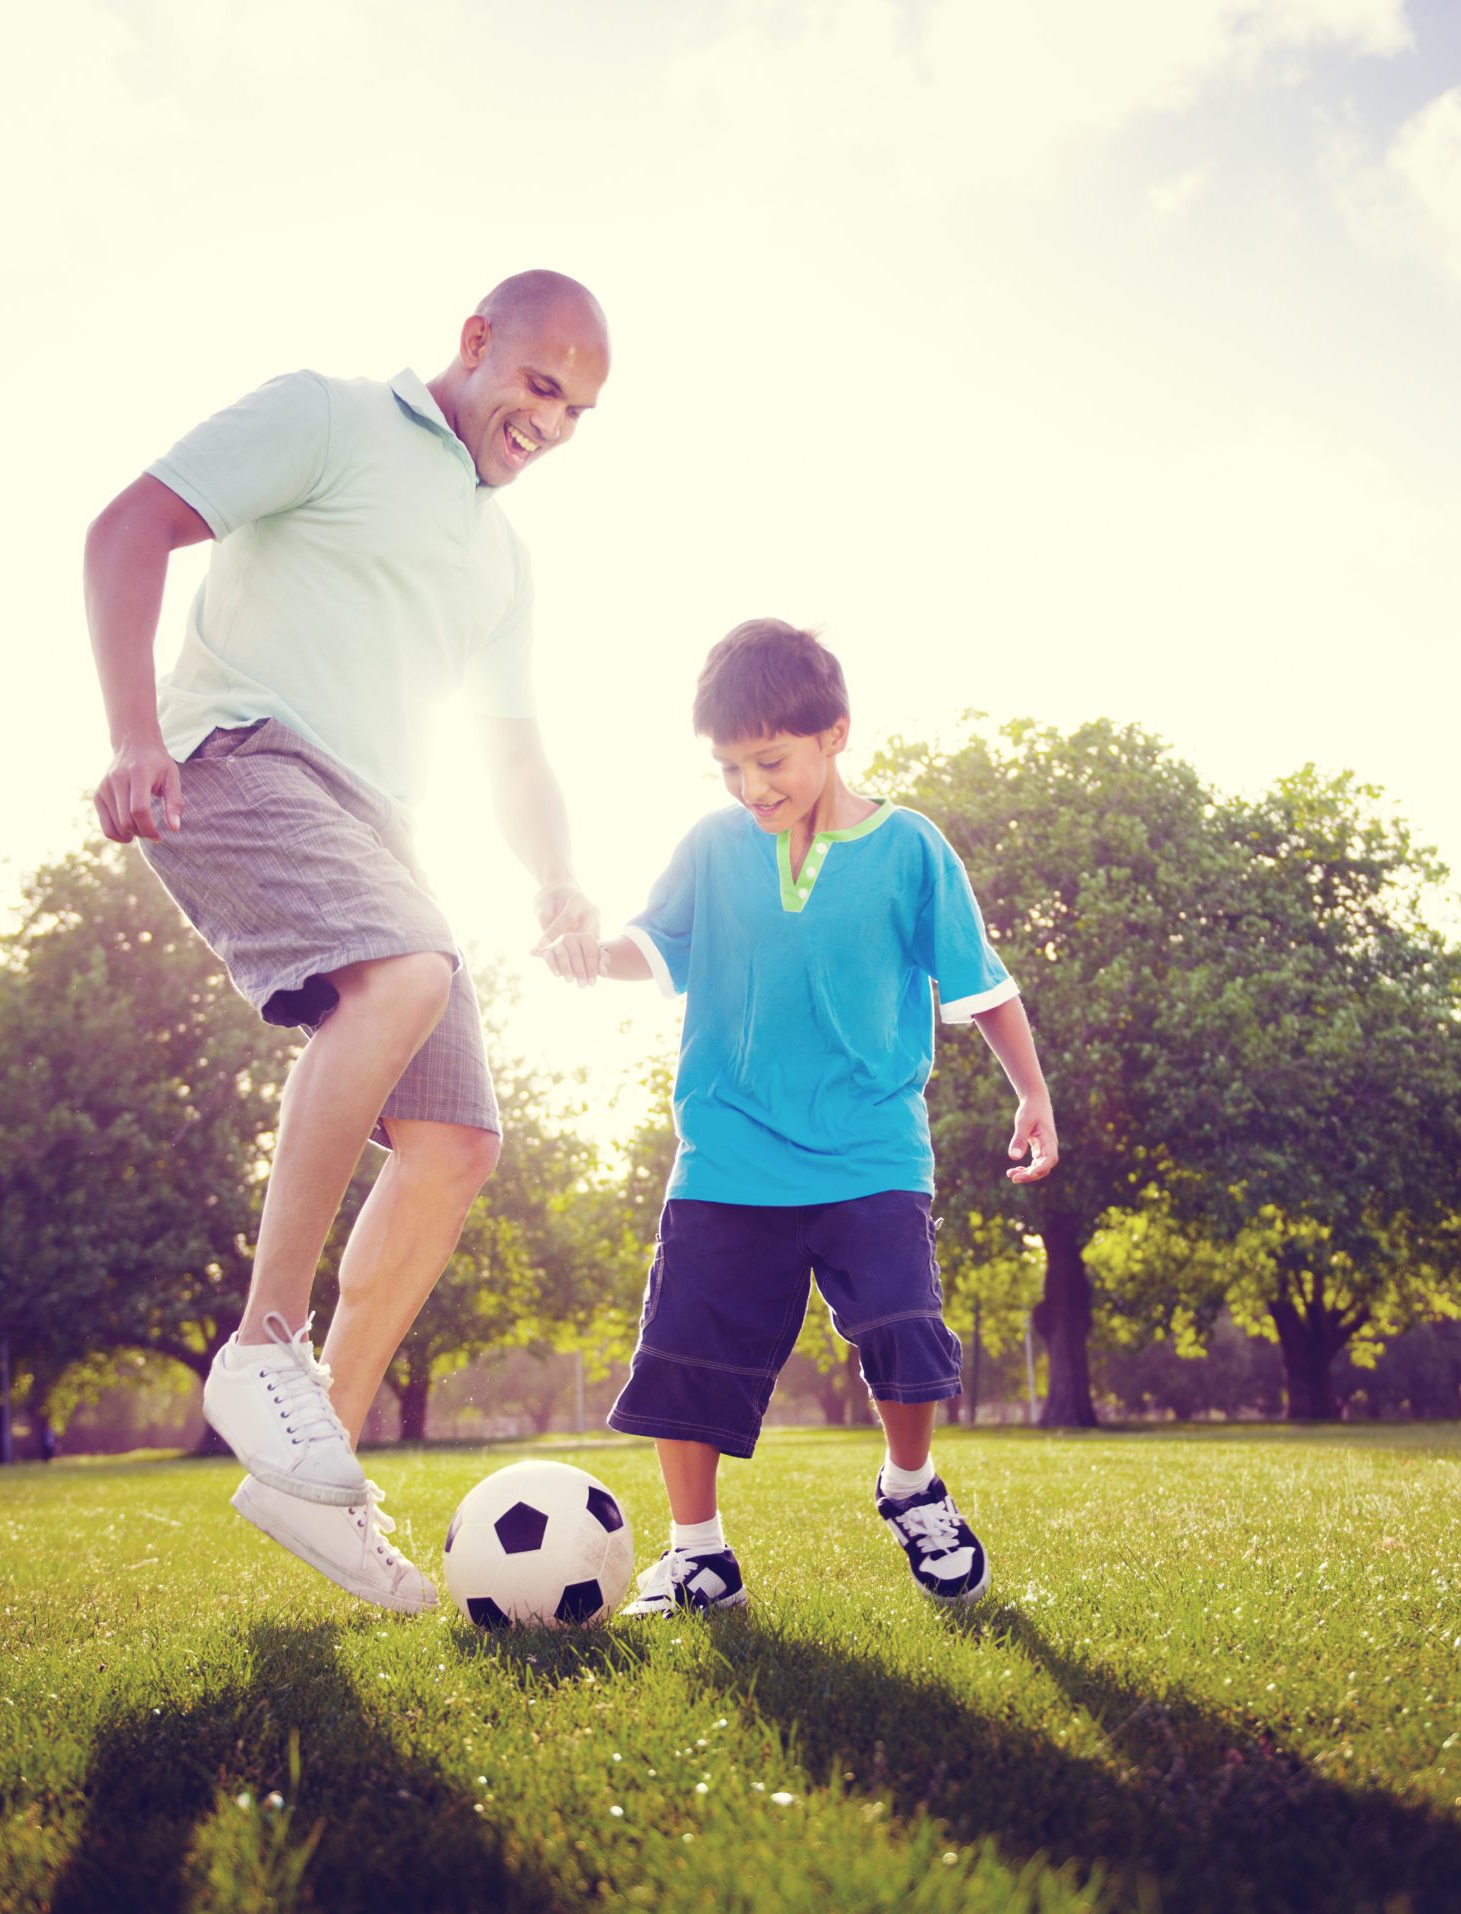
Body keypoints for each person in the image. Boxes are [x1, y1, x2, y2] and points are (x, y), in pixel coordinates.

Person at [84, 270, 611, 1614]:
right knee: (406, 971)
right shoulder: (327, 416)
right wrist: (136, 731)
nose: (549, 421)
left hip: (380, 821)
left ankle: (317, 1475)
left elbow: (512, 748)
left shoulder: (502, 559)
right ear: (476, 340)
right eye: (540, 384)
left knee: (457, 1143)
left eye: (579, 410)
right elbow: (127, 526)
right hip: (238, 756)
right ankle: (265, 1343)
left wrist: (556, 875)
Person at [546, 619, 1057, 1614]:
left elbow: (981, 984)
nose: (751, 788)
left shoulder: (909, 848)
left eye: (769, 760)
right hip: (729, 1153)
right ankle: (698, 1555)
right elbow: (651, 950)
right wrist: (583, 953)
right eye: (729, 768)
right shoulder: (710, 847)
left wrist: (1030, 1094)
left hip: (870, 1147)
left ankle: (911, 1489)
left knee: (906, 1334)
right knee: (684, 1354)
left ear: (835, 735)